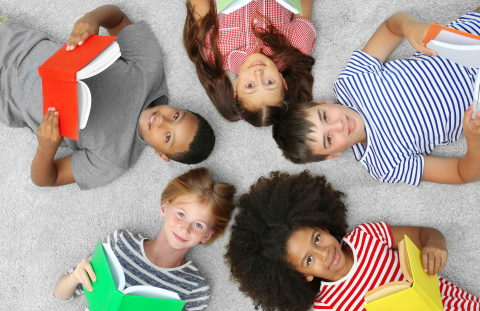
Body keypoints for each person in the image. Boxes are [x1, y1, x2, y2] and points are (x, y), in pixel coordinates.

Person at [0, 5, 215, 190]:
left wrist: (46, 148)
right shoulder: (149, 70)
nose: (161, 121)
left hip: (6, 99)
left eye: (168, 137)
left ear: (161, 154)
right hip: (17, 42)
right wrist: (93, 18)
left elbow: (47, 178)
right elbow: (118, 18)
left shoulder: (114, 161)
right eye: (176, 116)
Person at [273, 10, 480, 186]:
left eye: (325, 117)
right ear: (332, 156)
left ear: (322, 103)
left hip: (464, 41)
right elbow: (462, 173)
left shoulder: (351, 82)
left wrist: (411, 27)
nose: (339, 126)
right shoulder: (385, 165)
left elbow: (392, 27)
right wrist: (474, 142)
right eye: (329, 139)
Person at [224, 170, 480, 311]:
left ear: (323, 225)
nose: (324, 253)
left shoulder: (366, 236)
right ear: (303, 276)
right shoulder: (328, 306)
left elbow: (424, 235)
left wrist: (436, 244)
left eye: (317, 238)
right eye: (309, 259)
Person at [53, 167, 236, 311]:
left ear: (207, 236)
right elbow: (60, 294)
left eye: (198, 225)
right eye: (181, 214)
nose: (184, 228)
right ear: (164, 208)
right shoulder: (121, 242)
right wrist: (75, 276)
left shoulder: (195, 288)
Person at [183, 0, 316, 126]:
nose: (258, 74)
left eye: (250, 85)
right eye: (269, 82)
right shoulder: (296, 46)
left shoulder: (214, 52)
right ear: (283, 81)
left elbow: (200, 3)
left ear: (235, 88)